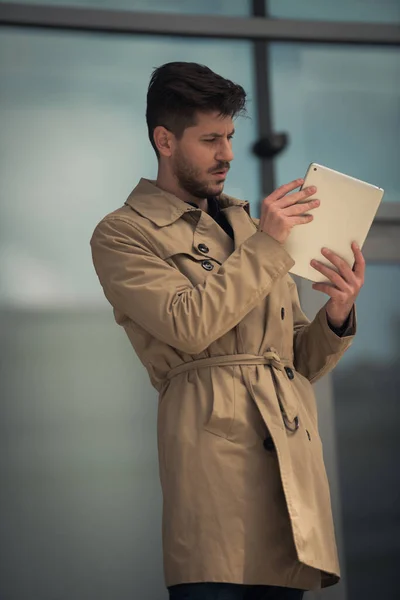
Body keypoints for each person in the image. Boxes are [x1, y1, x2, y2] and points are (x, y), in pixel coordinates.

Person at [90, 62, 364, 600]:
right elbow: (189, 325)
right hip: (213, 472)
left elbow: (297, 362)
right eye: (211, 139)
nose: (228, 155)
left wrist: (337, 313)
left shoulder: (251, 225)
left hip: (290, 472)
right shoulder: (123, 233)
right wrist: (269, 245)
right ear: (164, 140)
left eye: (231, 137)